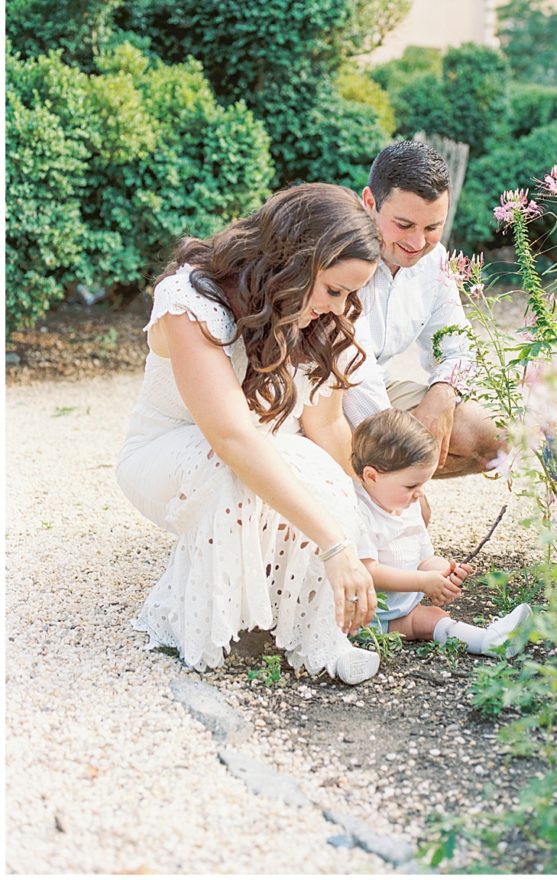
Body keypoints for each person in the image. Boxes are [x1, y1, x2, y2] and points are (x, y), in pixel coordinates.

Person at [116, 183, 384, 685]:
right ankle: (190, 618)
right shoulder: (191, 300)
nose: (340, 307)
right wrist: (334, 545)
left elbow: (323, 426)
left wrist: (379, 512)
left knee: (321, 476)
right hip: (165, 457)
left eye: (351, 294)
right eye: (333, 289)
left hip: (245, 453)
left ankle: (317, 636)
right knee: (234, 468)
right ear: (295, 261)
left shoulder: (317, 319)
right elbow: (233, 437)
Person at [343, 140, 504, 483]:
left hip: (380, 389)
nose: (417, 243)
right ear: (370, 202)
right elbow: (352, 374)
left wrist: (444, 392)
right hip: (327, 398)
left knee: (494, 438)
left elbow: (459, 345)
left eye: (432, 228)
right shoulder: (340, 248)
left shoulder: (433, 259)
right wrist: (398, 461)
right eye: (403, 225)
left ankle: (391, 487)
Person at [351, 408, 532, 655]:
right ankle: (488, 641)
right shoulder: (359, 511)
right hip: (364, 616)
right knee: (428, 619)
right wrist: (423, 582)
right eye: (411, 485)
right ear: (372, 476)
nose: (420, 492)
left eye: (423, 483)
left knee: (434, 616)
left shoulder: (408, 505)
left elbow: (424, 559)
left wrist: (443, 572)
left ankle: (490, 641)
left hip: (401, 609)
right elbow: (368, 572)